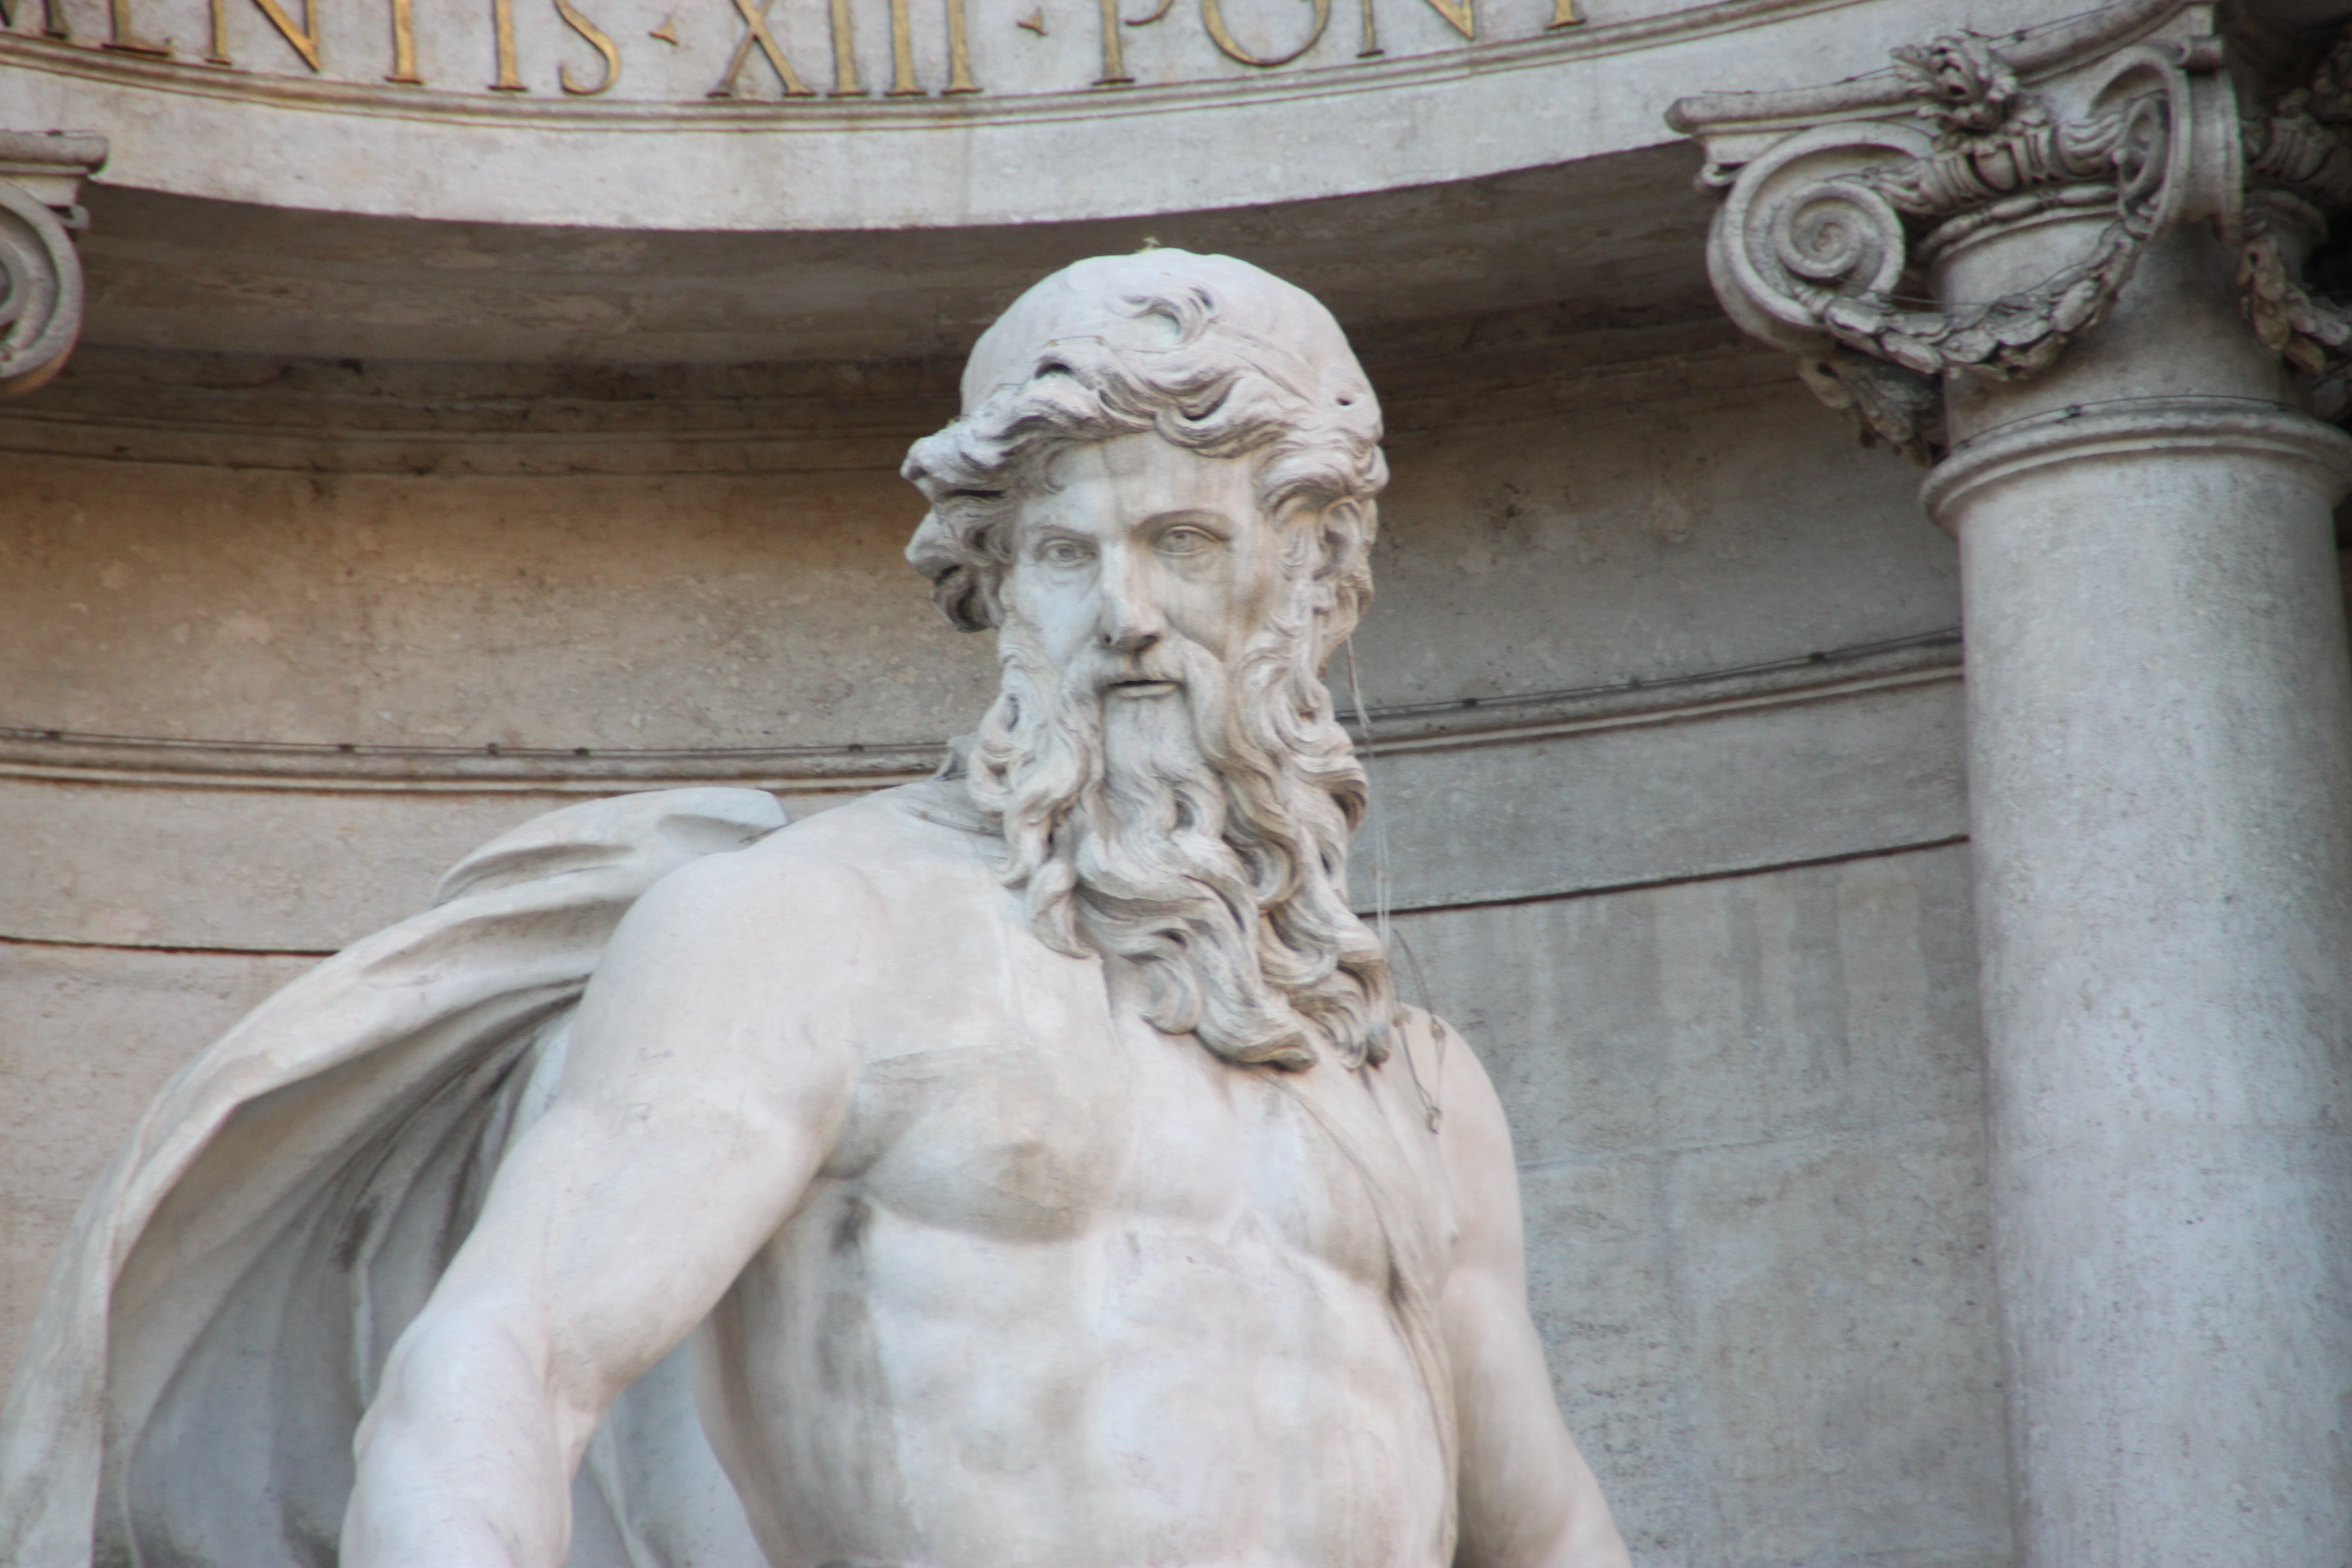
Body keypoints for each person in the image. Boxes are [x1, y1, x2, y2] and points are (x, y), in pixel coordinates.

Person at [1, 249, 1628, 1568]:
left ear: (1321, 580)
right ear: (997, 585)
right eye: (1065, 555)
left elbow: (1543, 1526)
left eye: (1184, 542)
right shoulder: (816, 938)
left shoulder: (1407, 1083)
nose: (1124, 615)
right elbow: (498, 1365)